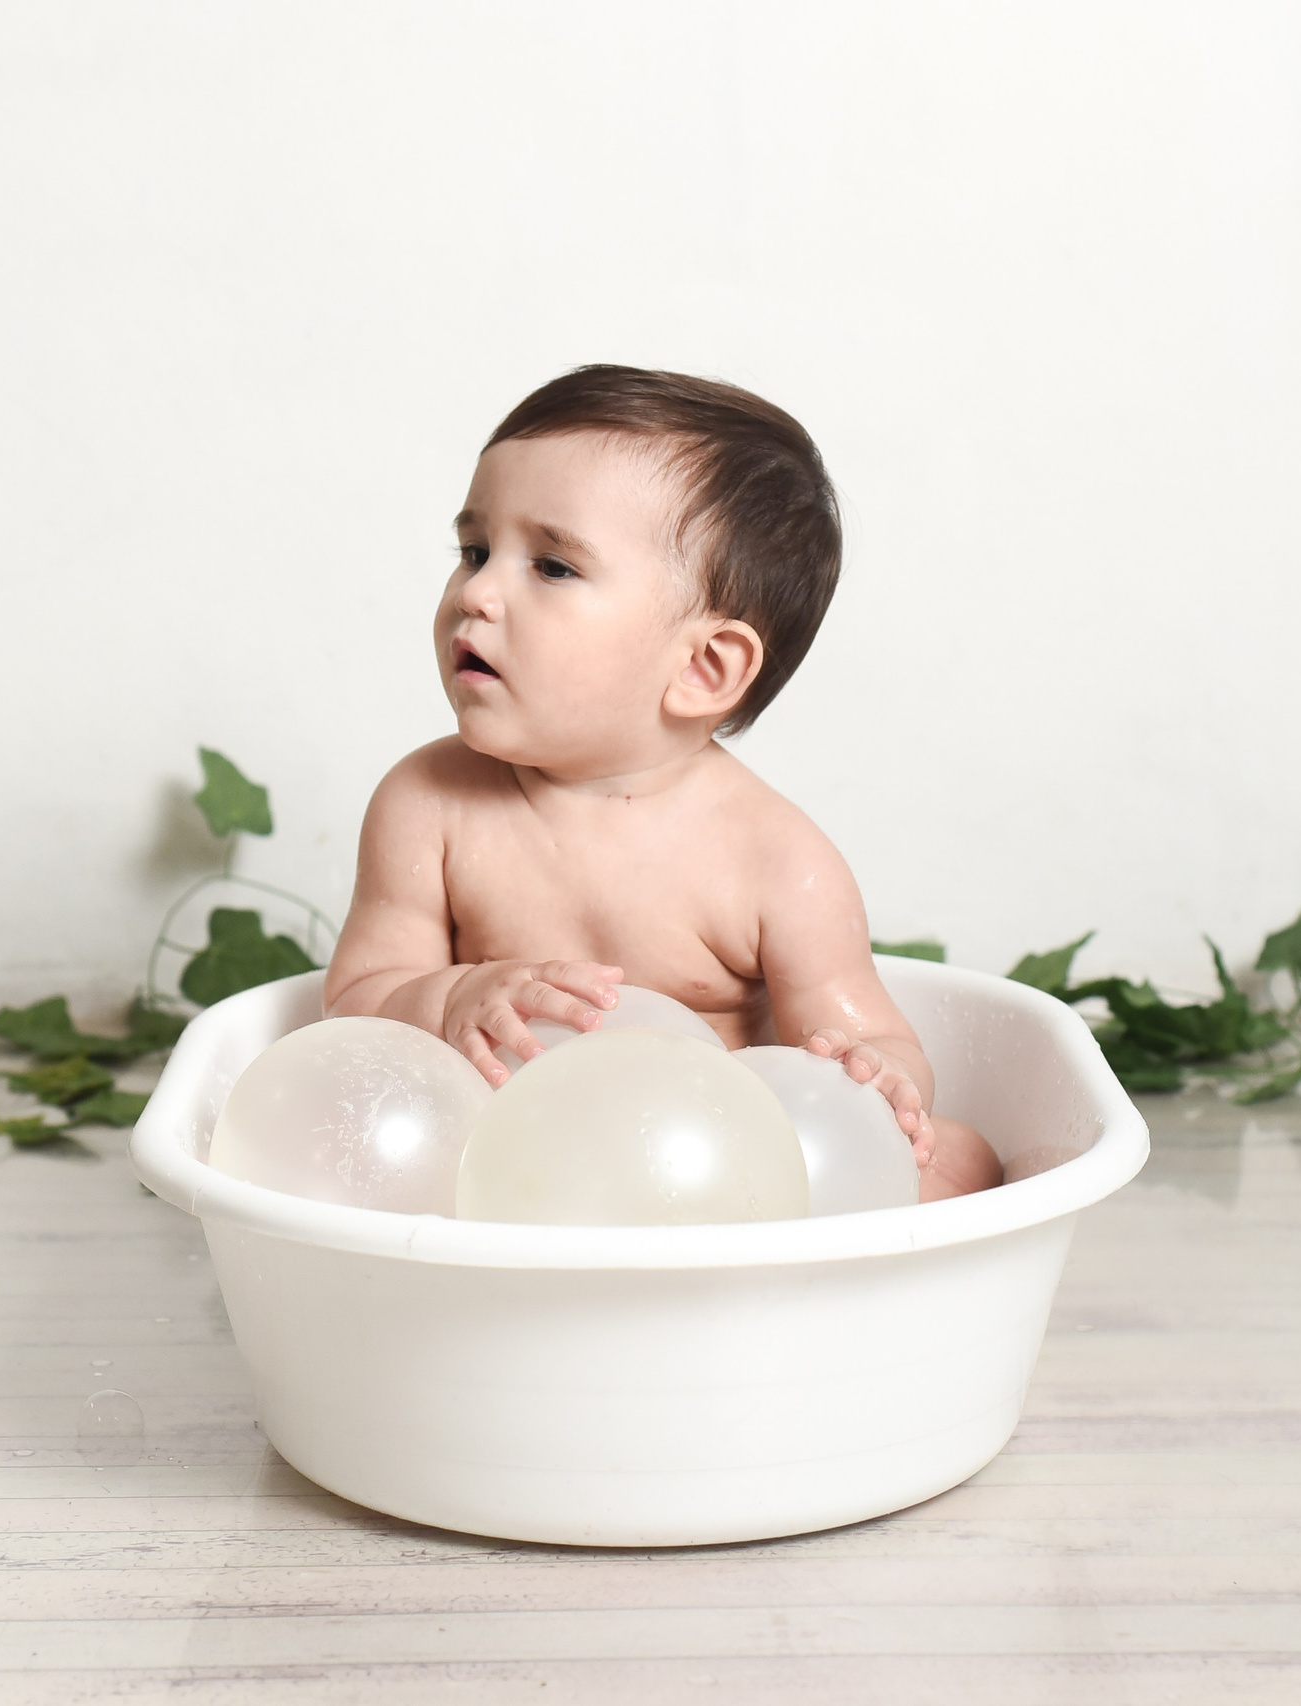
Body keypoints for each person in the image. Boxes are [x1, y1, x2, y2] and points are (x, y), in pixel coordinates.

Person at [322, 365, 1002, 1200]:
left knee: (957, 1162)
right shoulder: (427, 805)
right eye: (475, 552)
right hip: (506, 1163)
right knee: (344, 1148)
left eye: (552, 566)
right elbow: (354, 1007)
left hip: (705, 1180)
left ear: (703, 666)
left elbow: (873, 1044)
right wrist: (454, 996)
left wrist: (880, 1078)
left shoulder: (775, 862)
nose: (478, 593)